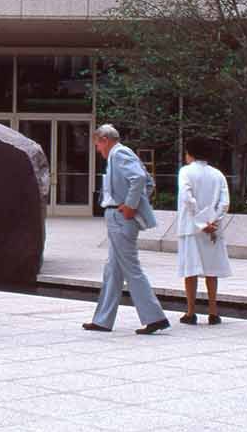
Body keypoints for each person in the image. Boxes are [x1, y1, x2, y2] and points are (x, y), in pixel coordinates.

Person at [83, 124, 170, 335]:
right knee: (112, 269)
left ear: (104, 139)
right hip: (118, 215)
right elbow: (148, 181)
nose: (98, 150)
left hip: (120, 216)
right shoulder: (120, 154)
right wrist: (135, 202)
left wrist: (131, 205)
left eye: (97, 145)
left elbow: (140, 179)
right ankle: (103, 320)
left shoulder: (119, 153)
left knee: (131, 268)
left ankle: (155, 317)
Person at [176, 137, 232, 325]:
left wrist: (200, 222)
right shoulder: (218, 174)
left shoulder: (186, 172)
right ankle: (213, 312)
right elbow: (224, 203)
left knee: (190, 271)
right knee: (211, 271)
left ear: (190, 153)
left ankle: (191, 312)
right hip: (213, 229)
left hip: (190, 228)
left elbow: (187, 197)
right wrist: (212, 222)